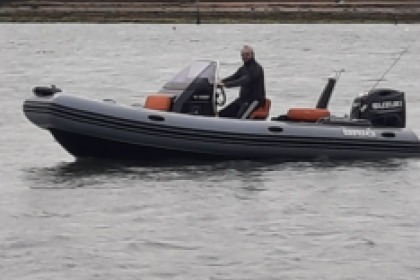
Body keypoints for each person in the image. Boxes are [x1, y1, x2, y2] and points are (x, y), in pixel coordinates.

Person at [218, 45, 266, 119]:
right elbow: (234, 77)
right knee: (222, 114)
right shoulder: (243, 68)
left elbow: (245, 80)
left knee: (240, 117)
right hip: (242, 100)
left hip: (254, 101)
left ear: (252, 55)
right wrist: (220, 81)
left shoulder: (256, 69)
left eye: (247, 54)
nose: (244, 57)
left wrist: (225, 84)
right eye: (243, 55)